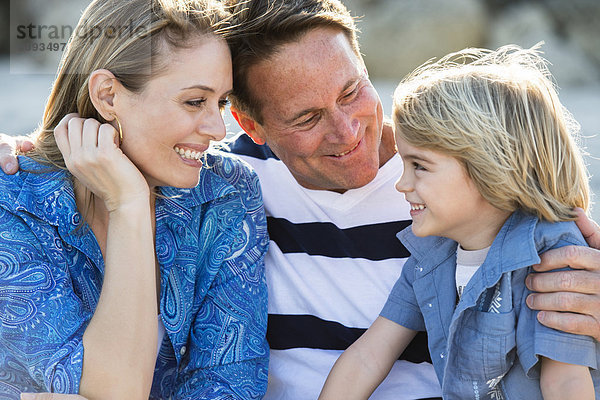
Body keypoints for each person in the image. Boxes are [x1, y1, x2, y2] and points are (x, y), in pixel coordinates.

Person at [3, 0, 600, 399]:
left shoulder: (469, 185)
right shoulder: (234, 181)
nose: (347, 132)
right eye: (307, 117)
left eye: (353, 91)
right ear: (252, 126)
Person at [0, 0, 269, 399]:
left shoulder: (226, 192)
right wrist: (127, 205)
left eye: (222, 102)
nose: (217, 128)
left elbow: (230, 385)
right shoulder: (15, 205)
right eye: (195, 101)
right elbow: (116, 391)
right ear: (108, 96)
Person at [319, 45, 599, 399]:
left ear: (490, 168)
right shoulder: (430, 257)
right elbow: (367, 356)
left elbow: (565, 382)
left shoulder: (549, 255)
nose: (402, 184)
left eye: (419, 166)